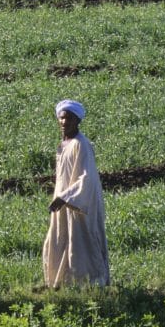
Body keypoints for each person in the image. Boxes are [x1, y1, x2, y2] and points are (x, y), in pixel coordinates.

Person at [42, 99, 110, 288]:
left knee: (82, 244)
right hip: (65, 201)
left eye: (69, 118)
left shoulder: (82, 145)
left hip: (80, 204)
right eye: (62, 118)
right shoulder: (64, 145)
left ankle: (90, 285)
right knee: (60, 240)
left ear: (77, 121)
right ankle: (63, 284)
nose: (64, 122)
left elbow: (86, 178)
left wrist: (66, 197)